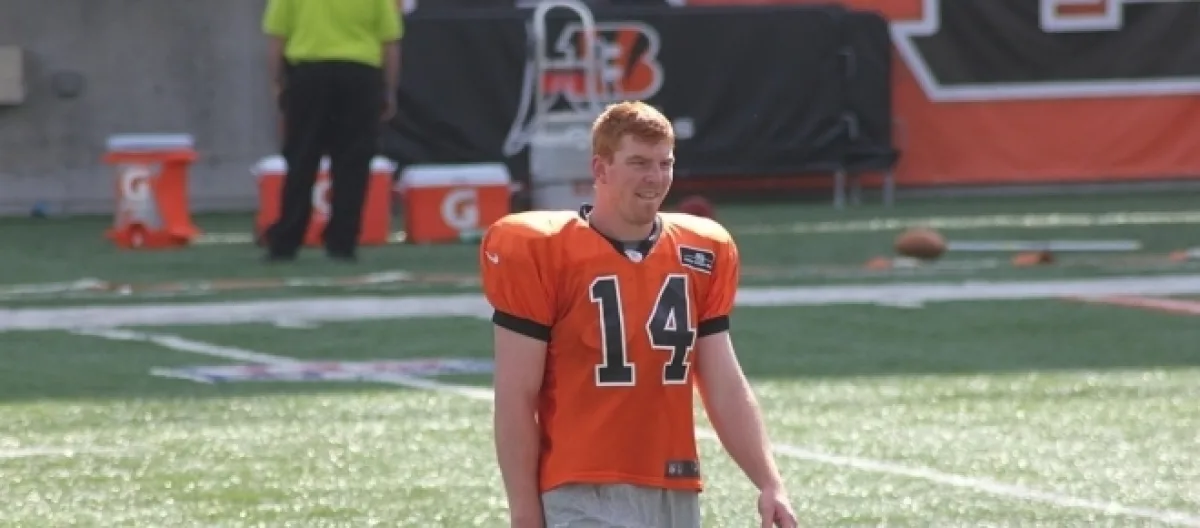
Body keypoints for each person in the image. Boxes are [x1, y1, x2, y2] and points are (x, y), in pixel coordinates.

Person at [480, 101, 799, 528]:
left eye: (665, 163)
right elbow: (516, 395)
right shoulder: (543, 249)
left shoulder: (701, 250)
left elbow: (723, 381)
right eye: (639, 163)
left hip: (674, 487)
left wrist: (769, 482)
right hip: (581, 486)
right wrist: (523, 510)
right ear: (601, 168)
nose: (655, 177)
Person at [261, 0, 403, 262]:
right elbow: (389, 41)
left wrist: (277, 82)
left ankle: (286, 241)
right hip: (360, 74)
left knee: (301, 159)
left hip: (308, 74)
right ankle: (342, 242)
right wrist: (389, 89)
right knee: (353, 162)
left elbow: (277, 36)